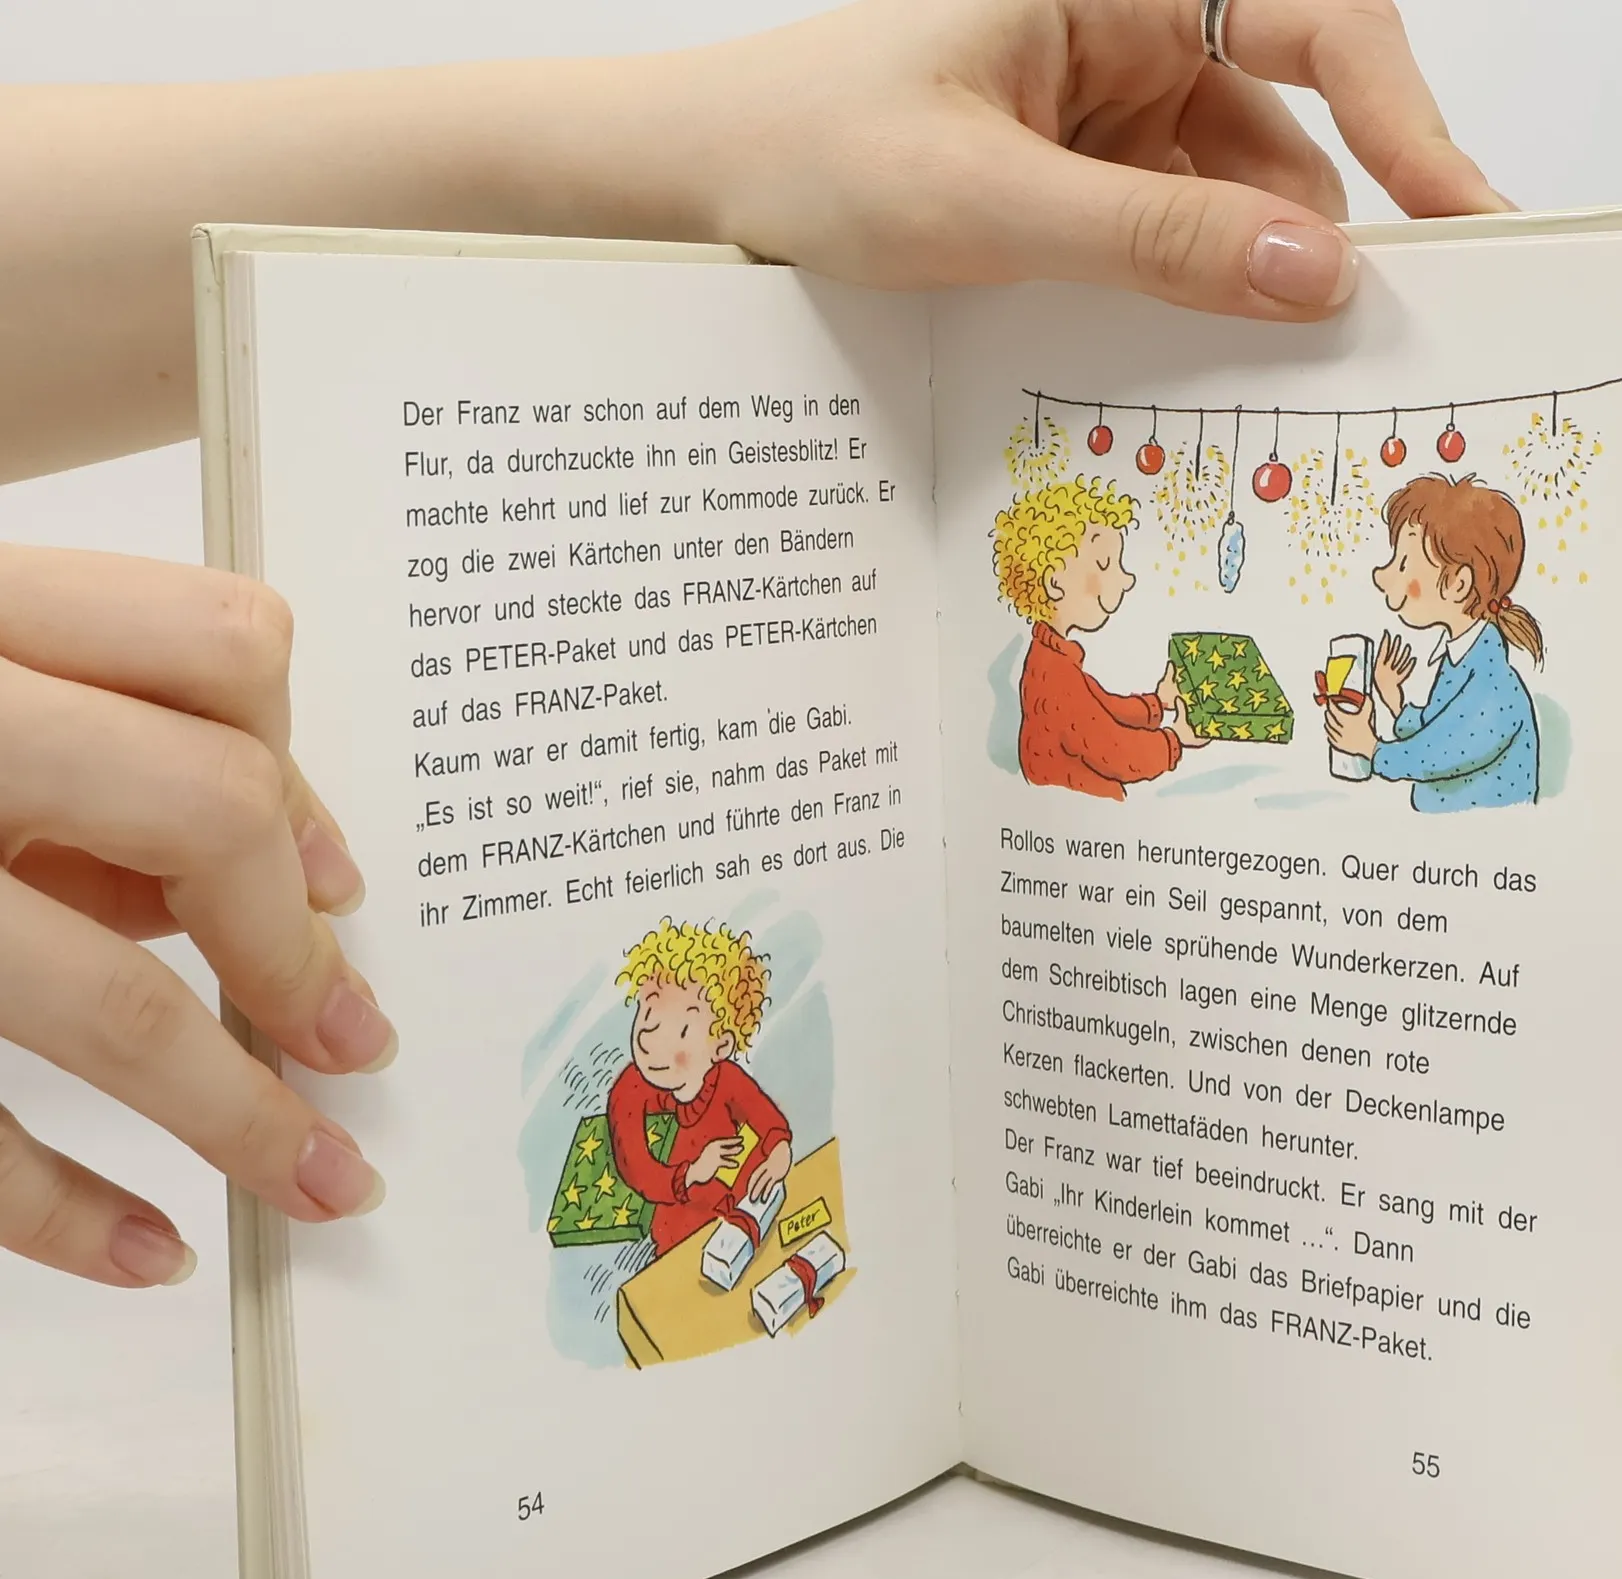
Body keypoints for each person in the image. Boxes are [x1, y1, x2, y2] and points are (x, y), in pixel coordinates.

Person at [0, 0, 1509, 1288]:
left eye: (677, 1021)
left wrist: (678, 142)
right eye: (662, 1021)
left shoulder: (735, 1075)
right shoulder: (654, 1098)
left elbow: (774, 1121)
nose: (663, 1041)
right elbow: (1074, 739)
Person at [1325, 473, 1543, 809]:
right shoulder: (1461, 660)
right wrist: (1394, 700)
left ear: (1458, 584)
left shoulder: (1495, 684)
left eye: (1404, 564)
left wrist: (1371, 748)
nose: (1382, 576)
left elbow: (1439, 753)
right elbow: (1436, 725)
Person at [998, 477, 1207, 797]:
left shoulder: (1051, 657)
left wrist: (1158, 703)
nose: (1125, 579)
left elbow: (1104, 707)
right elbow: (1114, 752)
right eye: (1104, 564)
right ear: (1055, 582)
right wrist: (1175, 739)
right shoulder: (1055, 673)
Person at [606, 923, 793, 1256]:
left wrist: (780, 1152)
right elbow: (636, 1168)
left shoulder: (728, 1080)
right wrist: (692, 1173)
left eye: (679, 1030)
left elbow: (771, 1125)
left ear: (720, 1045)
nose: (649, 1040)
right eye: (648, 1015)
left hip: (735, 1221)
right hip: (675, 1238)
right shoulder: (629, 1089)